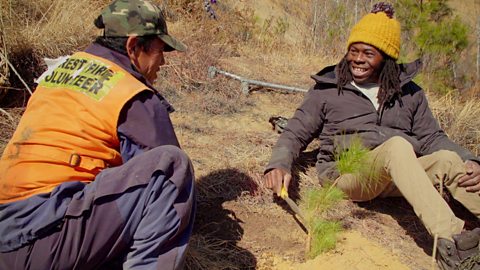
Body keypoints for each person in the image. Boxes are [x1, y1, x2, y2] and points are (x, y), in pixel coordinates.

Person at [264, 2, 480, 269]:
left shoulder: (410, 92)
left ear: (387, 58)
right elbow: (295, 132)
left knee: (448, 159)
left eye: (368, 53)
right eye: (353, 51)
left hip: (399, 175)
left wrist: (470, 159)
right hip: (348, 175)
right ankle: (454, 244)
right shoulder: (329, 90)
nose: (357, 59)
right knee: (397, 146)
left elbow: (432, 137)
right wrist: (279, 164)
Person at [0, 0, 195, 269]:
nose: (162, 61)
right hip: (44, 239)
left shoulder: (62, 69)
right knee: (172, 167)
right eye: (160, 50)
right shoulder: (132, 95)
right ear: (133, 46)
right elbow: (164, 188)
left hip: (7, 230)